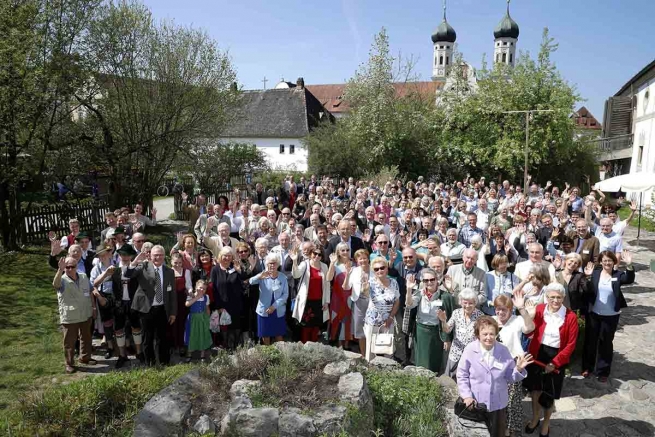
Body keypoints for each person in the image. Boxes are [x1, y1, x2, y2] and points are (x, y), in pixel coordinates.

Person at [457, 316, 533, 437]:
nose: (488, 337)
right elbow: (462, 375)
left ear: (496, 334)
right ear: (478, 335)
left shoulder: (503, 350)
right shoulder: (470, 349)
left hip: (497, 404)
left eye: (492, 334)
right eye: (485, 334)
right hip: (476, 404)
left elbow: (510, 377)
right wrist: (466, 396)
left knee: (497, 433)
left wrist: (518, 369)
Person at [524, 283, 578, 437]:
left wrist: (555, 363)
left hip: (557, 357)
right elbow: (529, 330)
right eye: (552, 297)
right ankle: (535, 418)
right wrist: (529, 314)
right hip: (537, 354)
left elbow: (571, 344)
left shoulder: (571, 317)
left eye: (559, 297)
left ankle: (546, 423)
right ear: (546, 297)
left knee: (549, 394)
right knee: (535, 390)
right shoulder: (539, 309)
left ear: (563, 298)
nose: (555, 300)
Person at [582, 250, 634, 382]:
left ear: (613, 262)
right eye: (604, 260)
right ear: (600, 262)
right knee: (590, 342)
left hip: (611, 315)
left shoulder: (618, 274)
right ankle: (587, 367)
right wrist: (587, 277)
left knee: (605, 343)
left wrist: (629, 265)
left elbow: (628, 279)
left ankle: (603, 371)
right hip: (594, 314)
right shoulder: (595, 273)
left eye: (609, 260)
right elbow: (587, 290)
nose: (607, 262)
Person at [125, 245, 177, 366]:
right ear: (150, 255)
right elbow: (128, 274)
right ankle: (150, 363)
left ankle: (164, 362)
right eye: (155, 255)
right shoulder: (143, 266)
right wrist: (134, 262)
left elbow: (172, 294)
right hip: (146, 309)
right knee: (147, 338)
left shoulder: (169, 271)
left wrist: (173, 312)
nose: (157, 257)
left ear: (164, 256)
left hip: (162, 309)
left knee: (162, 338)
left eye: (160, 255)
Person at [493, 293, 536, 436]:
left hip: (513, 365)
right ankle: (500, 429)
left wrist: (522, 309)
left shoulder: (516, 320)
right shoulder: (491, 321)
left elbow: (530, 328)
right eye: (498, 309)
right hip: (495, 367)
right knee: (498, 401)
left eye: (504, 309)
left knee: (513, 401)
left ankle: (512, 431)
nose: (500, 313)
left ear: (510, 310)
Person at [405, 267, 455, 373]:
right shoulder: (419, 293)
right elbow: (409, 304)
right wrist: (409, 289)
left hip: (437, 333)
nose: (429, 282)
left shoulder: (444, 296)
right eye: (426, 280)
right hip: (421, 332)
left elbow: (449, 318)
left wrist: (446, 338)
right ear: (423, 282)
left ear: (437, 280)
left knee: (435, 361)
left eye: (432, 279)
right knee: (421, 361)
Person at [53, 256, 96, 374]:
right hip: (70, 316)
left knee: (86, 337)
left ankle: (85, 357)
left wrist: (93, 307)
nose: (70, 269)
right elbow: (55, 285)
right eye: (67, 267)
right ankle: (69, 363)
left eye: (72, 267)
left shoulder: (83, 276)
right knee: (69, 341)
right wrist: (59, 270)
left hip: (85, 313)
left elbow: (91, 291)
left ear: (77, 267)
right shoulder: (61, 279)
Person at [437, 287, 484, 378]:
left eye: (471, 303)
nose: (467, 306)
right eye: (465, 303)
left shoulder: (480, 316)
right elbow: (447, 330)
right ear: (460, 302)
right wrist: (443, 321)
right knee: (450, 380)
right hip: (456, 353)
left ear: (475, 303)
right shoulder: (456, 313)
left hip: (471, 355)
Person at [363, 257, 401, 362]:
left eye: (382, 268)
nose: (379, 270)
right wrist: (365, 287)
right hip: (373, 321)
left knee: (388, 349)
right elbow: (365, 294)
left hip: (388, 321)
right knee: (371, 352)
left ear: (387, 268)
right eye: (376, 269)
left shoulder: (394, 282)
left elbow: (397, 301)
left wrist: (391, 317)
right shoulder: (370, 283)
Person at [291, 245, 331, 343]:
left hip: (319, 302)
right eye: (315, 253)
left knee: (316, 327)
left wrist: (326, 302)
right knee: (306, 327)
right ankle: (305, 350)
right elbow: (296, 274)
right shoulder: (305, 264)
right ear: (310, 254)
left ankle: (314, 349)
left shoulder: (324, 266)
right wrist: (295, 261)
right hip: (306, 302)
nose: (317, 256)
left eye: (319, 254)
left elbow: (327, 284)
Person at [249, 253, 289, 345]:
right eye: (270, 263)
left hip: (278, 310)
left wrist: (274, 306)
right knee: (265, 334)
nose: (272, 265)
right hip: (264, 310)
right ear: (267, 264)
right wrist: (259, 276)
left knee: (279, 335)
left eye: (274, 263)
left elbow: (285, 294)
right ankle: (267, 355)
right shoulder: (263, 274)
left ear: (278, 264)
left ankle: (281, 355)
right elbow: (251, 282)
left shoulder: (283, 277)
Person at [211, 247, 245, 350]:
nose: (227, 258)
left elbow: (243, 282)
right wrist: (218, 306)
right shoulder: (215, 269)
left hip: (235, 304)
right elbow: (213, 289)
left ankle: (236, 347)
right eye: (225, 255)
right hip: (222, 304)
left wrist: (239, 271)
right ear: (220, 256)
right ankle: (225, 347)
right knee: (224, 327)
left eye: (229, 255)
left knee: (236, 325)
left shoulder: (235, 267)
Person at [343, 249, 372, 356]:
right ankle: (364, 355)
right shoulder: (354, 271)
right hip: (358, 303)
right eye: (360, 258)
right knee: (361, 331)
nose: (363, 260)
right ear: (356, 260)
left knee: (372, 329)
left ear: (368, 258)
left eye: (365, 258)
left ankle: (372, 354)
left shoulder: (375, 269)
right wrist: (347, 274)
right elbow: (346, 287)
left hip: (372, 304)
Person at [326, 243, 353, 347]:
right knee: (337, 318)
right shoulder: (336, 264)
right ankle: (338, 343)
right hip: (337, 297)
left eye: (347, 250)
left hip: (350, 297)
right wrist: (332, 264)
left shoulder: (354, 264)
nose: (345, 252)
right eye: (343, 250)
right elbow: (328, 278)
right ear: (338, 252)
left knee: (348, 320)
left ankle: (347, 344)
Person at [169, 253, 192, 358]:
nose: (177, 265)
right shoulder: (168, 271)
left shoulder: (186, 272)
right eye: (175, 263)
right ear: (171, 262)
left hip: (182, 299)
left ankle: (181, 345)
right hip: (170, 300)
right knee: (172, 323)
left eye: (179, 262)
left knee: (182, 323)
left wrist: (191, 291)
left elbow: (188, 286)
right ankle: (173, 346)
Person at [184, 279, 212, 362]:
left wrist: (208, 318)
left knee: (202, 335)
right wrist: (197, 297)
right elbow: (187, 304)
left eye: (204, 289)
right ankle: (189, 354)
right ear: (196, 287)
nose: (202, 290)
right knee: (192, 335)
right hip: (193, 319)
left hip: (202, 319)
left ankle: (202, 354)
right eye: (200, 288)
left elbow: (207, 309)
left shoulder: (206, 297)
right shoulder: (191, 295)